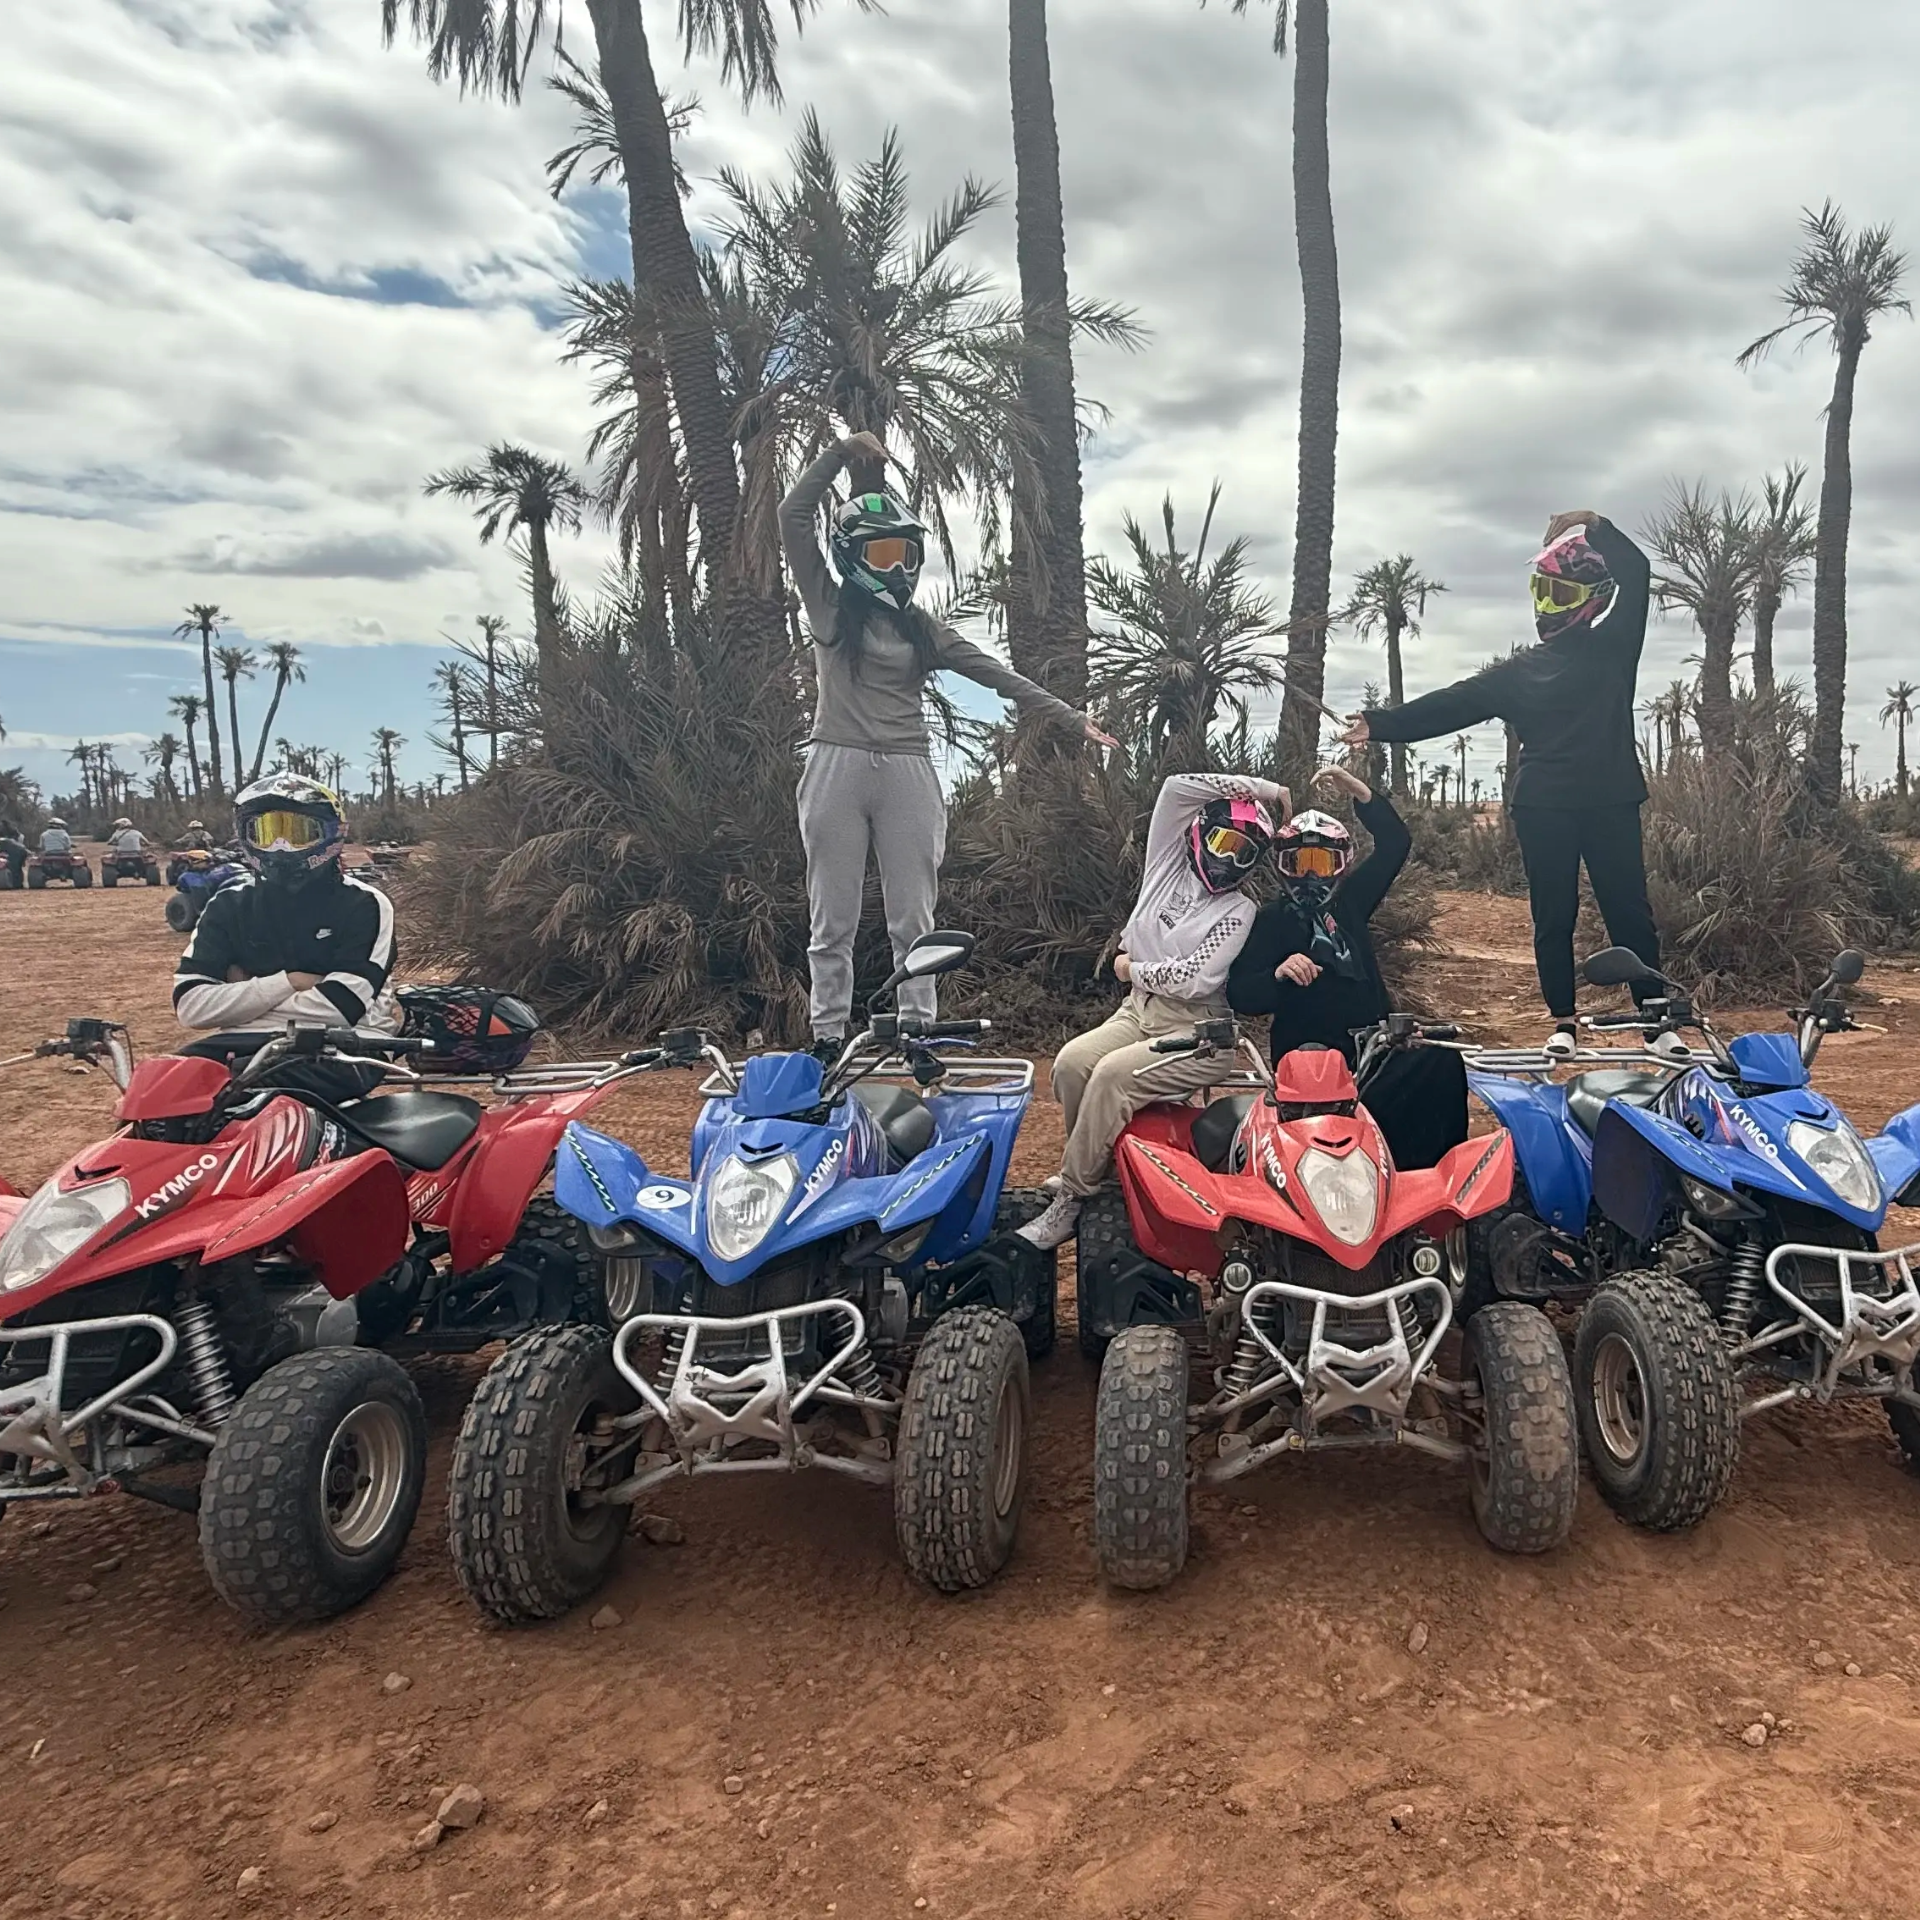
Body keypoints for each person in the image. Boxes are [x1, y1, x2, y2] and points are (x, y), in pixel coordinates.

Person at [780, 430, 1117, 1055]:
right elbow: (791, 516)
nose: (896, 567)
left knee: (915, 917)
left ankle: (918, 1028)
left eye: (905, 554)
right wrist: (840, 455)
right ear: (851, 556)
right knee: (834, 918)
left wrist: (1072, 718)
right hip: (836, 765)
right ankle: (828, 1033)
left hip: (907, 771)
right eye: (880, 555)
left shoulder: (922, 628)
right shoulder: (828, 608)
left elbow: (996, 673)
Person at [1340, 509, 1666, 1057]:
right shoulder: (1520, 672)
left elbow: (1638, 571)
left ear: (1591, 597)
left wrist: (1593, 523)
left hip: (1610, 800)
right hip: (1544, 807)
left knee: (1628, 910)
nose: (1547, 604)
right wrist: (1380, 725)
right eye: (1543, 591)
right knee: (1552, 915)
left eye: (1560, 592)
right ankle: (1563, 1020)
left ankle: (1657, 1018)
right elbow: (1453, 703)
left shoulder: (1616, 645)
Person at [1018, 772, 1289, 1249]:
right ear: (1200, 833)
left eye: (1244, 852)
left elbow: (1195, 979)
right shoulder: (1164, 863)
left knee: (1111, 1078)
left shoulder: (1239, 910)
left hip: (1202, 1028)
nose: (1228, 857)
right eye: (1223, 840)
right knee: (1070, 1066)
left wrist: (1131, 968)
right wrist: (1262, 789)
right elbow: (1177, 788)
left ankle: (1074, 1197)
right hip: (1139, 1010)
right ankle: (1100, 1172)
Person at [1226, 766, 1468, 1171]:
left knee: (1440, 1063)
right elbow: (1240, 992)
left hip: (1373, 1049)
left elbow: (1395, 843)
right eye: (1299, 860)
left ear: (1340, 865)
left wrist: (1358, 790)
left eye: (1321, 862)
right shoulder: (1269, 919)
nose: (1308, 873)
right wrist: (1278, 974)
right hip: (1308, 1061)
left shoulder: (1352, 903)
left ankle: (1436, 1178)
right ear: (1282, 865)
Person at [174, 774, 398, 1033]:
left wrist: (238, 1004)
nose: (281, 846)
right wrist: (292, 981)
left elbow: (340, 1008)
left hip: (348, 1044)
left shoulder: (364, 904)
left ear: (333, 832)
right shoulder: (228, 905)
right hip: (241, 1044)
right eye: (265, 833)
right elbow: (190, 1006)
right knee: (172, 1073)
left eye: (298, 833)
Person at [0, 821, 25, 890]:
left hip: (12, 849)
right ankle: (17, 884)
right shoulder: (14, 835)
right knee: (16, 868)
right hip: (14, 850)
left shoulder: (11, 836)